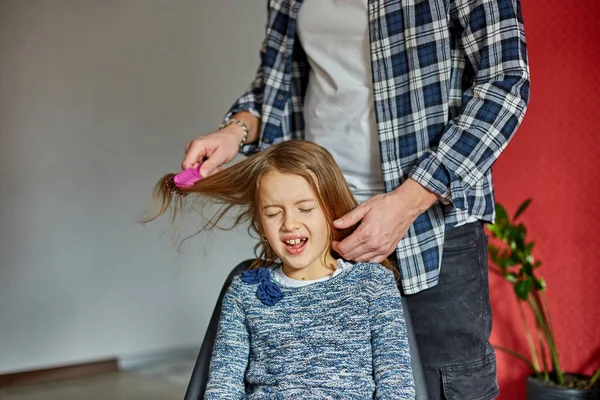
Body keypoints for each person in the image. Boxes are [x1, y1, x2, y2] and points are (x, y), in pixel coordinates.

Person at [181, 1, 530, 398]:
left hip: (432, 220)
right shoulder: (249, 290)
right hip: (326, 218)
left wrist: (409, 200)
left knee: (447, 384)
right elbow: (276, 84)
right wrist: (236, 130)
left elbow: (506, 81)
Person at [145, 141, 416, 399]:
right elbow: (222, 386)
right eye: (274, 213)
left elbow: (396, 386)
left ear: (332, 209)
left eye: (306, 209)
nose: (290, 224)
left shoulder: (372, 284)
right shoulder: (245, 292)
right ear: (260, 224)